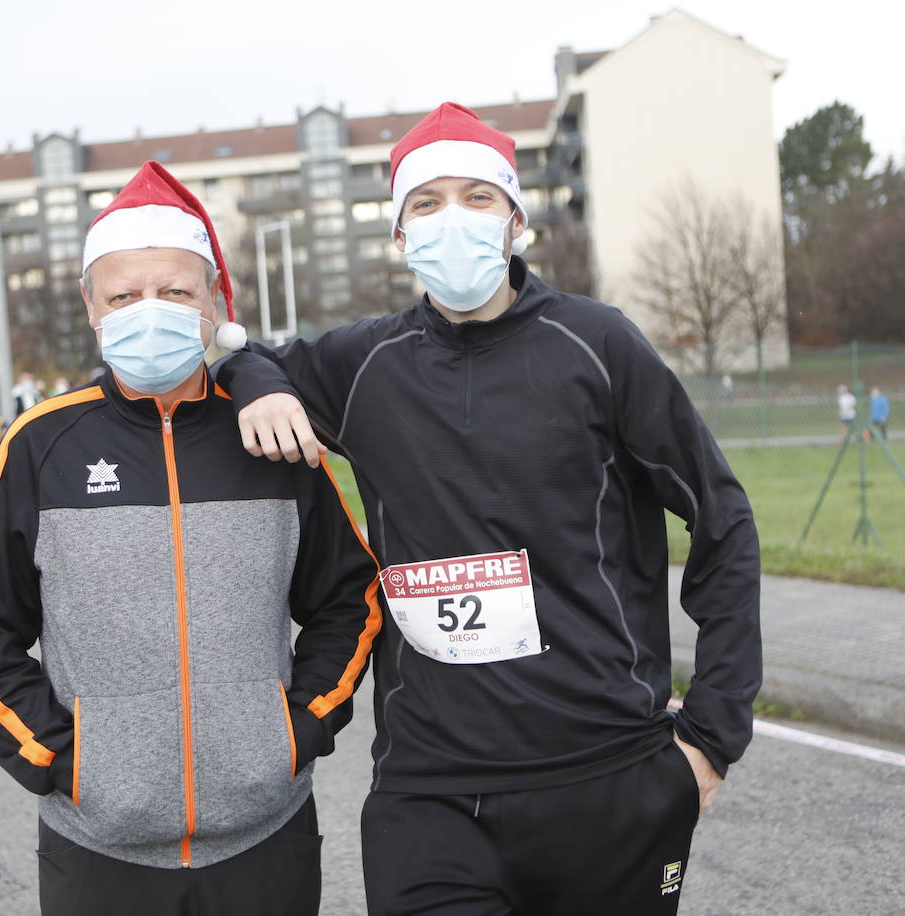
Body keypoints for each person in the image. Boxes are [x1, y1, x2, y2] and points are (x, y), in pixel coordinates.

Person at [216, 102, 761, 915]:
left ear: (516, 220)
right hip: (429, 791)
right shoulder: (364, 364)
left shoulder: (598, 345)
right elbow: (248, 360)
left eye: (478, 198)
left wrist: (712, 736)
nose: (454, 221)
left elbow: (722, 519)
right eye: (426, 204)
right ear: (401, 237)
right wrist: (258, 385)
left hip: (605, 777)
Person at [0, 161, 381, 916]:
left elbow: (352, 597)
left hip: (265, 835)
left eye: (175, 291)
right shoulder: (40, 444)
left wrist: (299, 728)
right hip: (97, 846)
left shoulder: (271, 435)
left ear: (213, 299)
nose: (150, 309)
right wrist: (57, 756)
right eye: (124, 294)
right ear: (91, 306)